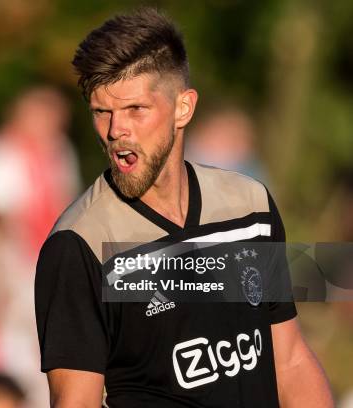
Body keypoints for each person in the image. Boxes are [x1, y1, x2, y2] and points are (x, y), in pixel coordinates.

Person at [34, 8, 333, 408]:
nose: (114, 130)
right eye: (101, 112)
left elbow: (290, 360)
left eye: (135, 110)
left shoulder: (250, 207)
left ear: (183, 108)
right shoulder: (80, 244)